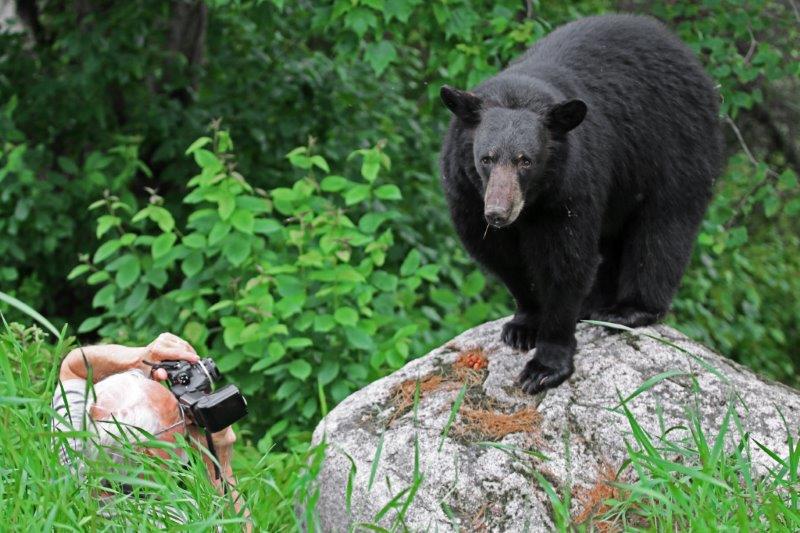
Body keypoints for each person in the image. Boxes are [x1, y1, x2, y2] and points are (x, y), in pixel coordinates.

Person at [52, 332, 247, 526]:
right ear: (149, 456)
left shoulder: (73, 462)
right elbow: (236, 528)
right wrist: (219, 468)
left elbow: (74, 368)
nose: (188, 419)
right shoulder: (173, 522)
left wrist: (140, 358)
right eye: (177, 415)